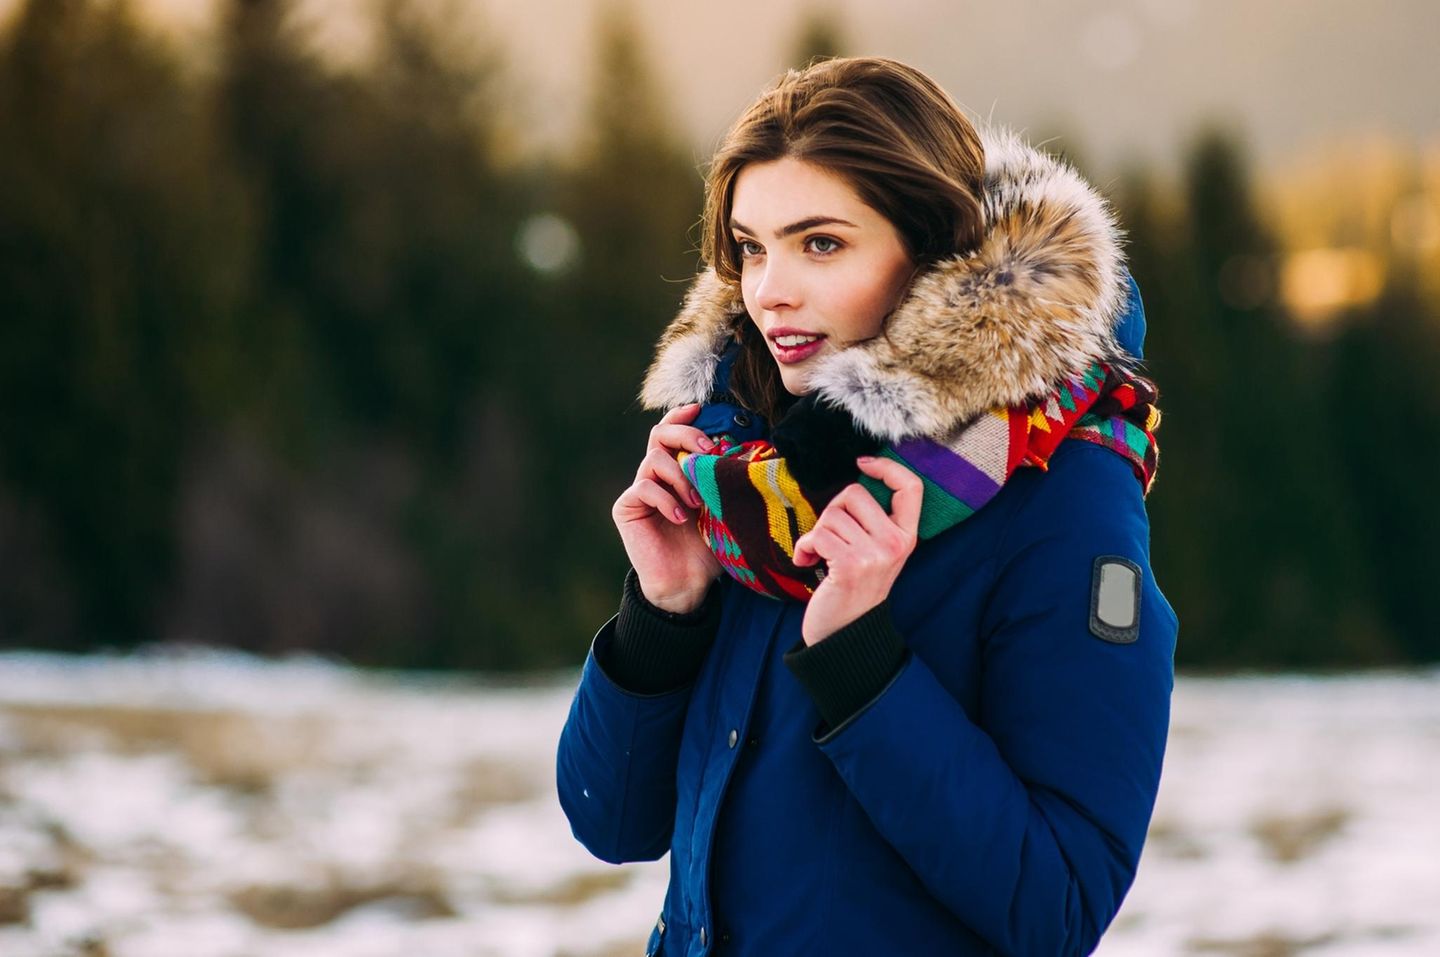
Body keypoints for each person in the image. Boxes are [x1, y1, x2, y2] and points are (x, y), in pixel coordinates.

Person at [556, 55, 1177, 957]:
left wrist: (861, 662)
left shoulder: (1064, 496)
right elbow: (610, 823)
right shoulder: (750, 474)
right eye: (752, 247)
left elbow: (1059, 903)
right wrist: (664, 611)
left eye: (821, 244)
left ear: (933, 254)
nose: (770, 291)